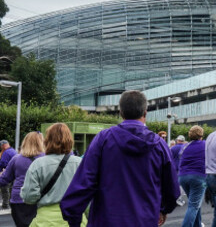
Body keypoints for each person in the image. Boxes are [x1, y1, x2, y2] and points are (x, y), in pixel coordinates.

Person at [60, 90, 180, 226]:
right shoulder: (159, 145)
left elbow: (84, 183)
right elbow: (171, 188)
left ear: (120, 113)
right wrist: (163, 209)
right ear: (145, 113)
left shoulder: (103, 140)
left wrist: (73, 218)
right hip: (144, 220)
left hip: (106, 220)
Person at [21, 123, 85, 226]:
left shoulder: (38, 164)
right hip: (75, 219)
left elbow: (29, 197)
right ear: (70, 140)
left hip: (46, 221)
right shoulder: (81, 163)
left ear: (47, 141)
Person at [0, 132, 44, 227]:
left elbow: (4, 180)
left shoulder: (16, 159)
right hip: (38, 199)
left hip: (18, 200)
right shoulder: (46, 158)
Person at [179, 126, 207, 227]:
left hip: (183, 177)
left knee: (195, 203)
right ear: (201, 135)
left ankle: (198, 224)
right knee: (193, 205)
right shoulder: (205, 144)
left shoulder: (184, 146)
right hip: (198, 176)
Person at [0, 139, 17, 210]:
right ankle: (11, 203)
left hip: (7, 173)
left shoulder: (6, 153)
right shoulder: (14, 151)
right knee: (11, 189)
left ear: (3, 145)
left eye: (1, 146)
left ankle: (5, 205)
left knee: (5, 188)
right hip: (14, 173)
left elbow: (3, 163)